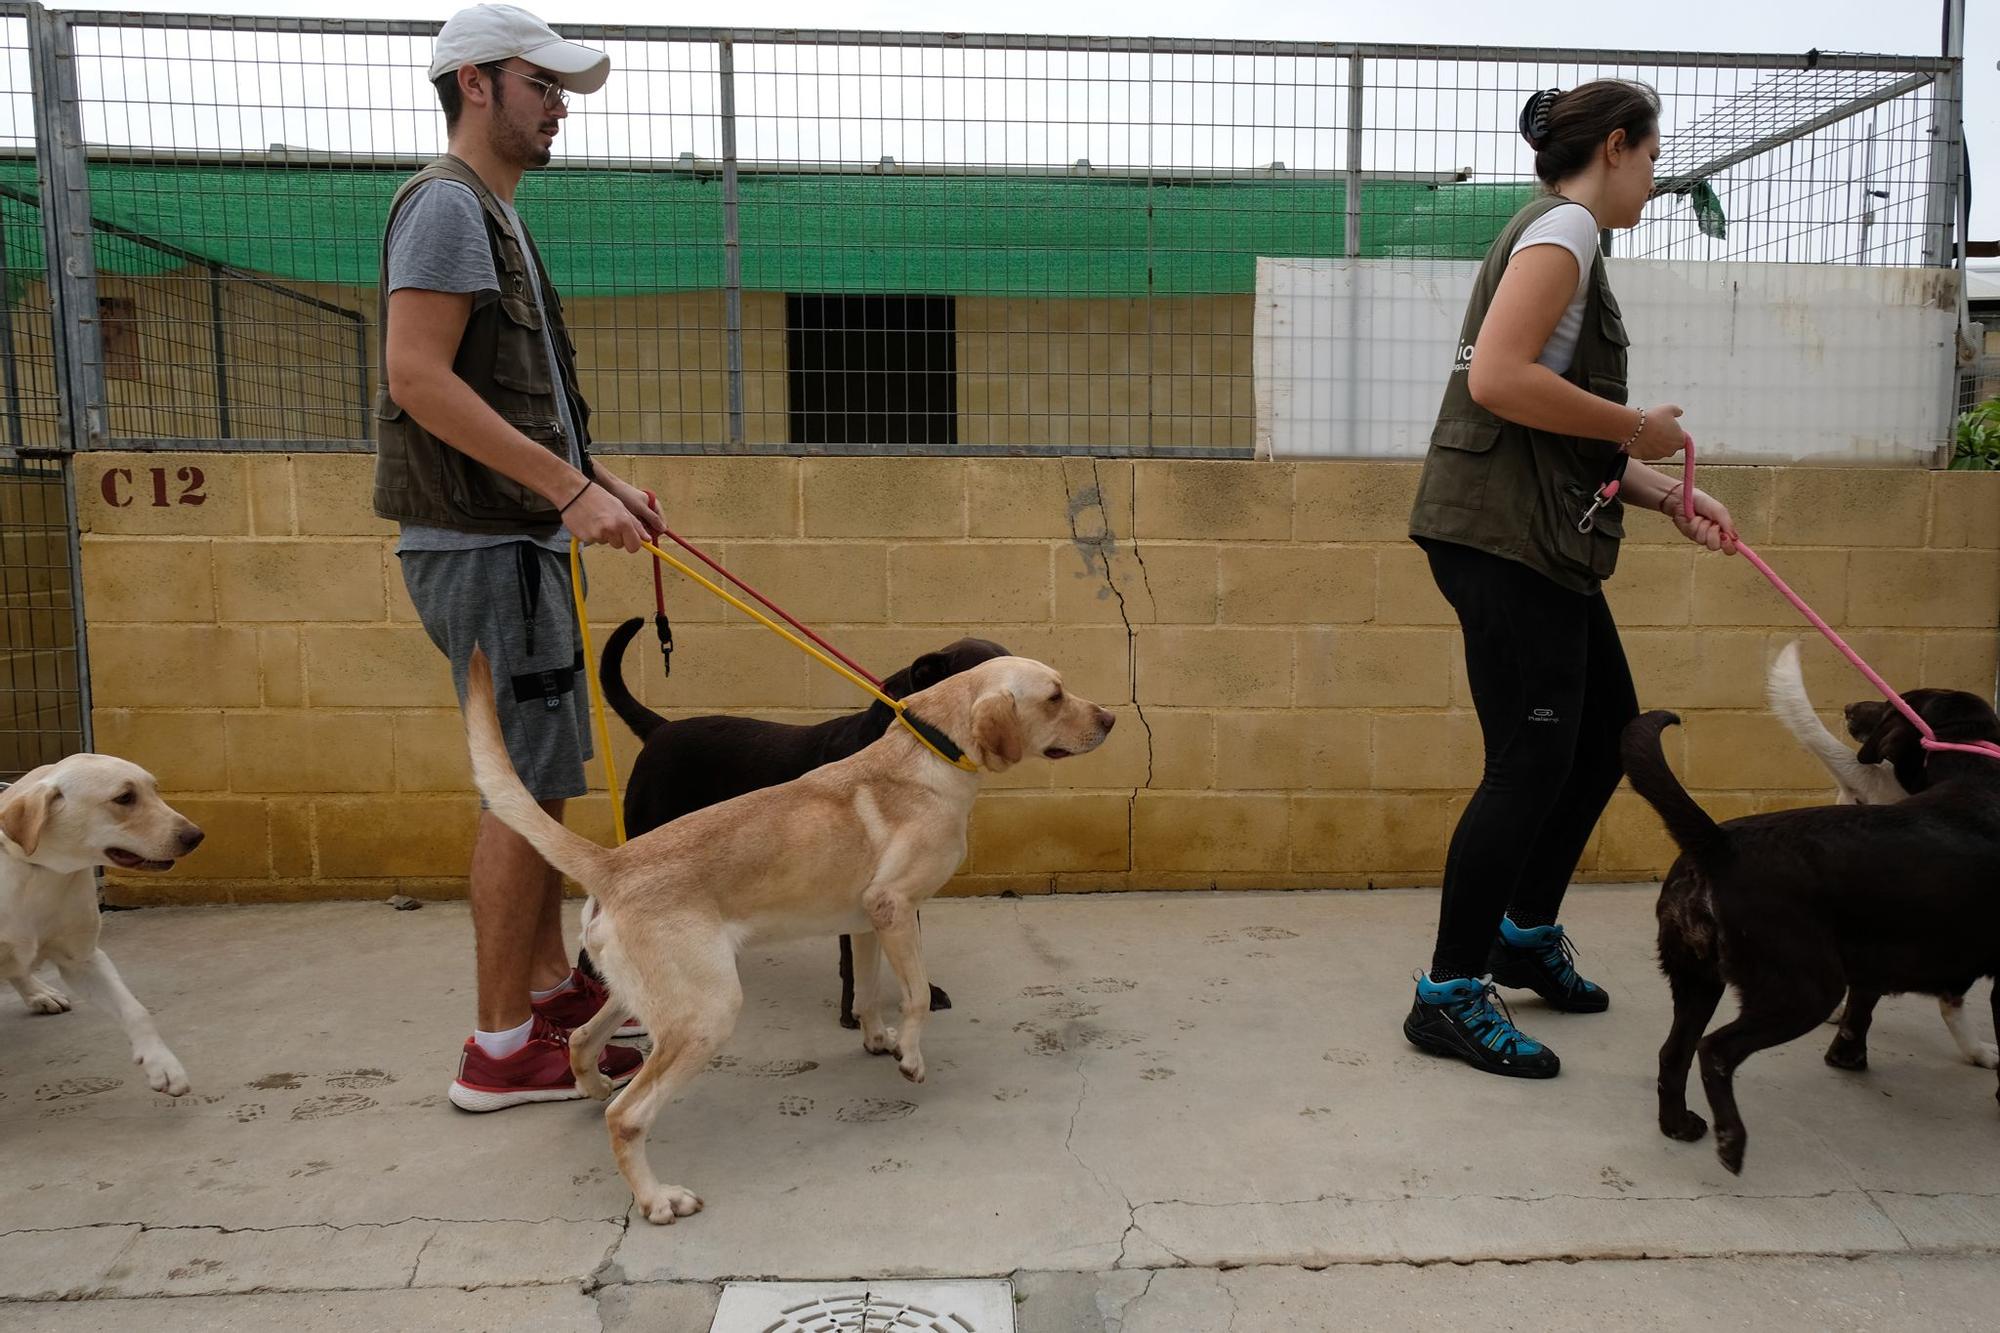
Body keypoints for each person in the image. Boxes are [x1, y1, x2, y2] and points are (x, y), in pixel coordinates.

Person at [1401, 81, 1737, 1079]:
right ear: (1617, 146)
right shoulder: (1566, 232)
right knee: (1530, 760)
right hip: (1502, 541)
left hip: (1535, 534)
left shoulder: (1560, 235)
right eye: (1649, 154)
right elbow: (1495, 380)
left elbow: (1539, 418)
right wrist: (1641, 428)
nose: (1653, 175)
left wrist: (1665, 493)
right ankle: (1448, 993)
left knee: (1603, 744)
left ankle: (1519, 933)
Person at [375, 4, 666, 1111]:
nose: (557, 108)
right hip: (488, 541)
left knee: (533, 783)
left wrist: (599, 480)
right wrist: (566, 488)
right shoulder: (449, 205)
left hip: (515, 536)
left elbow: (505, 392)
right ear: (476, 84)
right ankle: (499, 1050)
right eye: (539, 84)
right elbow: (419, 376)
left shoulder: (487, 213)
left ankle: (546, 990)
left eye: (560, 88)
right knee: (520, 795)